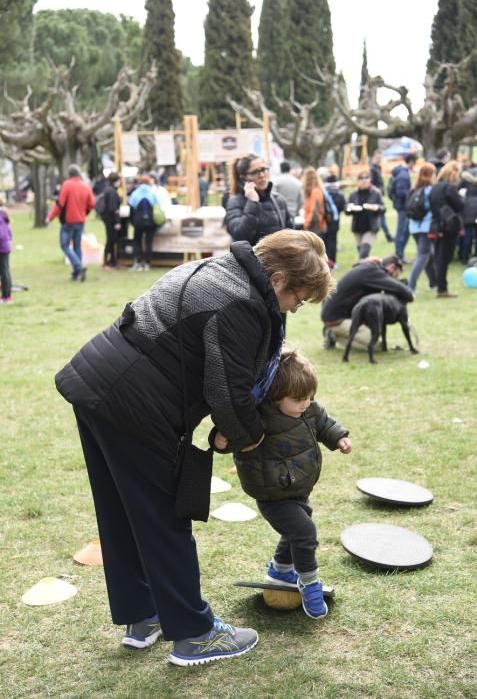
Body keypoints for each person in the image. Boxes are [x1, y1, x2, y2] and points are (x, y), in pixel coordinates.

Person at [54, 229, 333, 667]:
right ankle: (194, 634)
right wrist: (250, 437)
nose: (296, 309)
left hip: (98, 382)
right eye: (297, 299)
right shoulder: (242, 301)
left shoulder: (223, 269)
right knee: (168, 514)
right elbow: (227, 390)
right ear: (277, 279)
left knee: (124, 510)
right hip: (133, 400)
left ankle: (143, 616)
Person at [213, 348, 351, 620]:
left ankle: (280, 569)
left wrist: (338, 437)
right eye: (299, 399)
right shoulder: (259, 417)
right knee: (304, 532)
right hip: (272, 494)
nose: (306, 403)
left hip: (299, 486)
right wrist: (219, 439)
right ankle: (309, 583)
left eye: (310, 397)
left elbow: (324, 423)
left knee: (297, 529)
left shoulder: (308, 410)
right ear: (276, 397)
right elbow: (233, 428)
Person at [321, 254, 414, 349]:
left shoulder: (366, 268)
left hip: (335, 316)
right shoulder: (373, 272)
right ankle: (332, 334)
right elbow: (399, 289)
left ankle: (334, 333)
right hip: (338, 319)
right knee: (376, 345)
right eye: (396, 275)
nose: (395, 278)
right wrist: (410, 296)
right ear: (392, 267)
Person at [224, 155, 293, 245]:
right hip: (251, 258)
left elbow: (291, 234)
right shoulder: (235, 202)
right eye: (255, 172)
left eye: (264, 169)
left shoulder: (279, 200)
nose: (262, 175)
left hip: (278, 257)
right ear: (243, 178)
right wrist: (253, 202)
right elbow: (240, 235)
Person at [47, 164, 95, 282]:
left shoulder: (67, 185)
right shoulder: (85, 186)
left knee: (64, 245)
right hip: (80, 221)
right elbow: (92, 204)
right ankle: (76, 273)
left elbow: (60, 203)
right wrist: (84, 213)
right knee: (77, 246)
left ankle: (79, 266)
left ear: (69, 174)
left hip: (68, 221)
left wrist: (50, 217)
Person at [429, 160, 464, 298]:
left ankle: (440, 285)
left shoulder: (435, 187)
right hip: (449, 225)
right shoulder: (449, 188)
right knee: (444, 257)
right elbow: (460, 205)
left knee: (439, 256)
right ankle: (442, 288)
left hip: (437, 225)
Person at [408, 163, 437, 294]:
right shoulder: (430, 189)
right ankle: (410, 287)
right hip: (426, 226)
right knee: (423, 255)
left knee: (429, 254)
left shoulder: (414, 189)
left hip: (414, 227)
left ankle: (433, 283)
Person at [345, 170, 385, 259]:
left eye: (366, 177)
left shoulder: (376, 192)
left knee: (363, 253)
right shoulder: (353, 194)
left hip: (371, 227)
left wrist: (376, 207)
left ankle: (361, 270)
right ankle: (369, 268)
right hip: (357, 227)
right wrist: (350, 208)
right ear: (358, 180)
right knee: (363, 254)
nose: (364, 180)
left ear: (370, 179)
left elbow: (383, 208)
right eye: (361, 178)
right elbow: (347, 210)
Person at [303, 167, 338, 266]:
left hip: (316, 226)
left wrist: (307, 224)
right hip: (317, 224)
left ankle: (329, 266)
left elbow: (315, 211)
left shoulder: (315, 191)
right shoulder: (315, 191)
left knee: (317, 253)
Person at [388, 153, 417, 263]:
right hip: (404, 207)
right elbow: (401, 192)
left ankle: (400, 254)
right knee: (402, 231)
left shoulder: (400, 173)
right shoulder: (404, 175)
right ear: (411, 162)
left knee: (404, 231)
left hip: (402, 206)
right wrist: (411, 195)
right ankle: (399, 255)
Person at [128, 174, 159, 272]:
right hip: (150, 222)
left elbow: (131, 209)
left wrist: (132, 222)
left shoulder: (135, 193)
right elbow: (157, 207)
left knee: (137, 241)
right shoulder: (152, 193)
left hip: (138, 222)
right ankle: (147, 263)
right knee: (148, 242)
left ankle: (137, 262)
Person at [370, 150, 394, 242]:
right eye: (378, 157)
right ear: (374, 157)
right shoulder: (372, 169)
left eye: (381, 157)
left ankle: (386, 235)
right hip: (376, 195)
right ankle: (388, 236)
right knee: (381, 217)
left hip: (379, 194)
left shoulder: (378, 168)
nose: (380, 159)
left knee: (381, 217)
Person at [100, 172, 122, 270]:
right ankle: (106, 262)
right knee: (111, 240)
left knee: (112, 240)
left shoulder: (107, 189)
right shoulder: (112, 191)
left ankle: (112, 261)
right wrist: (117, 221)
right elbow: (113, 208)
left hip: (107, 218)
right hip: (111, 220)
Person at [324, 173, 346, 269]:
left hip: (324, 221)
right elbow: (343, 206)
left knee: (324, 242)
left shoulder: (324, 192)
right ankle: (332, 263)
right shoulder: (339, 193)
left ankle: (325, 262)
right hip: (335, 222)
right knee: (333, 242)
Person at [459, 163, 477, 264]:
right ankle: (475, 257)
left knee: (467, 235)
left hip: (468, 208)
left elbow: (458, 190)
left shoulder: (465, 178)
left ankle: (464, 257)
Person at [0, 202, 13, 304]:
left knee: (4, 271)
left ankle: (6, 297)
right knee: (5, 271)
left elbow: (1, 234)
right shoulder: (3, 214)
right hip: (6, 246)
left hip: (2, 247)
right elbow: (9, 232)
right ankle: (7, 295)